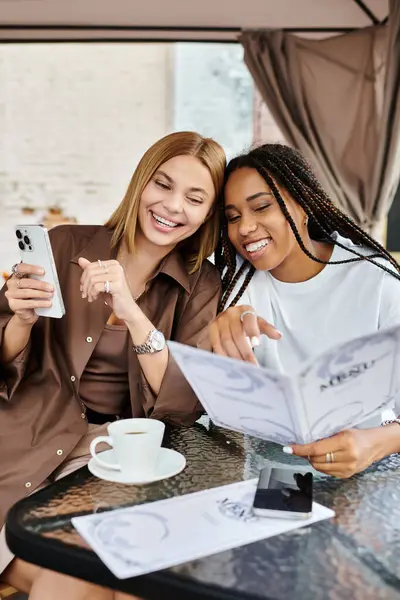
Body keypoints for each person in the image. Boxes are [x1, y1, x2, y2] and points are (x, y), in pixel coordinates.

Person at [0, 131, 226, 599]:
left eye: (195, 197)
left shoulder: (201, 285)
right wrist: (19, 319)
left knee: (104, 569)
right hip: (24, 433)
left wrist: (131, 310)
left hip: (115, 454)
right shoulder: (64, 245)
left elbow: (182, 405)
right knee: (89, 572)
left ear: (208, 212)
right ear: (141, 182)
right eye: (162, 185)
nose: (172, 206)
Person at [210, 143, 400, 479]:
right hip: (274, 469)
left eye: (262, 207)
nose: (245, 228)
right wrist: (218, 328)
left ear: (302, 204)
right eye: (233, 217)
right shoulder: (237, 284)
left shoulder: (375, 281)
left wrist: (379, 442)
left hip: (370, 469)